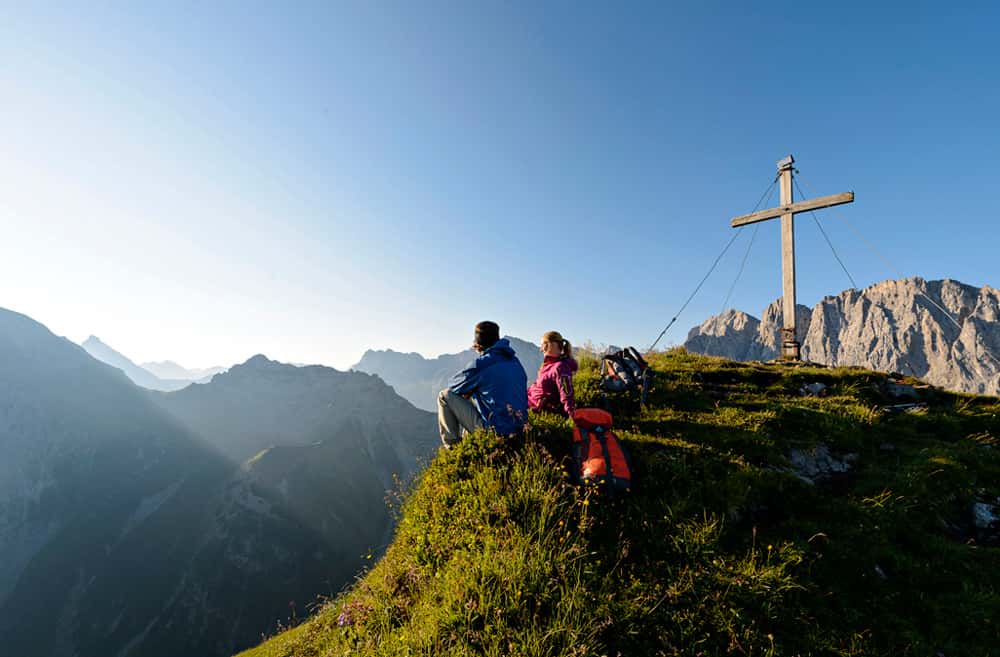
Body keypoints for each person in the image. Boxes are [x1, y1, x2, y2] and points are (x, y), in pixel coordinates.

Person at [438, 321, 529, 448]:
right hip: (521, 428)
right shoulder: (514, 361)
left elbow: (453, 385)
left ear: (478, 344)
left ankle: (454, 449)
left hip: (495, 432)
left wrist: (472, 388)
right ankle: (468, 441)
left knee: (444, 395)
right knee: (480, 396)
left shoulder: (482, 364)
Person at [527, 331, 577, 417]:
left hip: (538, 408)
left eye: (543, 345)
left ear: (551, 345)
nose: (541, 349)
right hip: (530, 401)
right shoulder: (549, 365)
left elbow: (566, 392)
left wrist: (571, 414)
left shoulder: (560, 367)